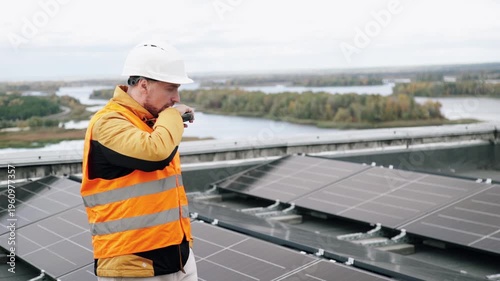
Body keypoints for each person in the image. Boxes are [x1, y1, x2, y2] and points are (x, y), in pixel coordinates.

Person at [80, 41, 198, 281]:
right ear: (144, 85)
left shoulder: (149, 121)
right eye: (171, 88)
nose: (176, 98)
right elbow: (156, 153)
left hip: (176, 257)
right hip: (133, 264)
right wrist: (171, 118)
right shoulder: (109, 123)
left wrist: (165, 120)